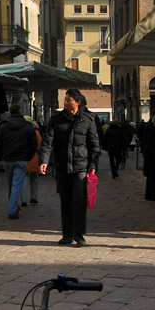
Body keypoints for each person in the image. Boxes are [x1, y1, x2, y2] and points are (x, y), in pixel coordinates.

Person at [39, 88, 100, 247]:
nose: (65, 102)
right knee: (65, 201)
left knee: (79, 201)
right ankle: (67, 234)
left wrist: (93, 164)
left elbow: (94, 145)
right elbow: (47, 142)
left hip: (81, 166)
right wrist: (44, 160)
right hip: (62, 166)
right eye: (65, 99)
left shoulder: (87, 120)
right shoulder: (56, 119)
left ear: (77, 102)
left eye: (68, 100)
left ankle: (79, 235)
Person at [0, 104, 37, 219]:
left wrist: (3, 155)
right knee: (16, 184)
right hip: (22, 159)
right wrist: (29, 156)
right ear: (20, 112)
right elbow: (33, 143)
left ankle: (13, 206)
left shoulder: (4, 126)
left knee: (11, 184)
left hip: (8, 159)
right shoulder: (27, 126)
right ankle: (12, 209)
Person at [21, 116, 42, 205]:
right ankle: (33, 197)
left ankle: (24, 200)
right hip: (34, 157)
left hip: (22, 157)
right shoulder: (36, 133)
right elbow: (40, 145)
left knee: (23, 179)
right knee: (34, 179)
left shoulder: (20, 132)